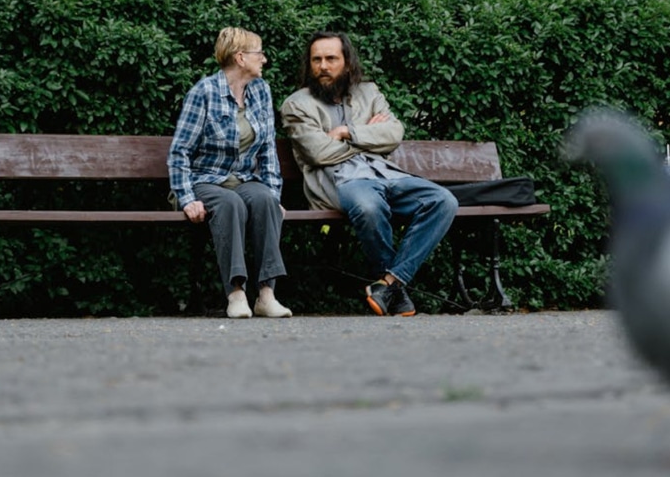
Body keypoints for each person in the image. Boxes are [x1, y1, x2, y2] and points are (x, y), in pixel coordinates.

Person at [280, 30, 458, 317]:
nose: (323, 66)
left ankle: (389, 284)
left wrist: (347, 132)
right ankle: (394, 290)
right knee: (368, 207)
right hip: (341, 181)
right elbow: (318, 152)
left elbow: (394, 133)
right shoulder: (296, 105)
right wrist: (370, 139)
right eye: (317, 60)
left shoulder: (369, 92)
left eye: (331, 59)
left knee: (443, 201)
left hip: (385, 174)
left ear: (347, 63)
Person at [167, 27, 292, 319]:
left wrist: (274, 197)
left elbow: (268, 152)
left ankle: (266, 295)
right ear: (240, 58)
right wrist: (187, 198)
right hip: (203, 181)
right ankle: (235, 293)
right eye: (258, 53)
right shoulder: (204, 92)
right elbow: (179, 152)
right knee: (230, 203)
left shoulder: (261, 90)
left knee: (263, 201)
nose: (264, 58)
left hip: (243, 180)